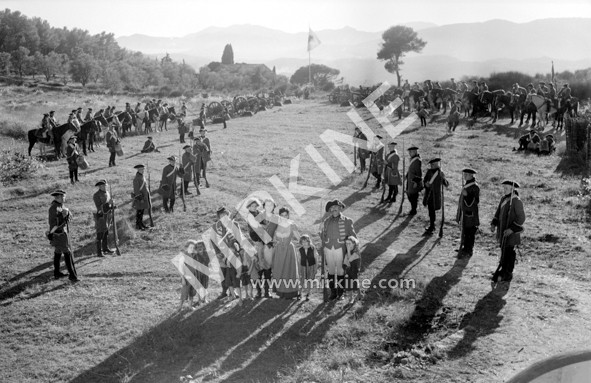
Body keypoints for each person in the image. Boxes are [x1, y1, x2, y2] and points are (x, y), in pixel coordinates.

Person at [319, 199, 357, 300]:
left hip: (340, 248)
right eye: (332, 208)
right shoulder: (326, 221)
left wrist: (352, 244)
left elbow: (353, 236)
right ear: (330, 210)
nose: (334, 209)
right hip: (328, 248)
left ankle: (340, 293)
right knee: (330, 270)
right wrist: (321, 232)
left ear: (340, 208)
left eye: (336, 208)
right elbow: (323, 236)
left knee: (340, 271)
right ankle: (333, 292)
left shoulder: (347, 221)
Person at [490, 180, 526, 287]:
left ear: (512, 189)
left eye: (506, 188)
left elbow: (521, 218)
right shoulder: (503, 199)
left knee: (509, 254)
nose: (504, 190)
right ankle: (503, 271)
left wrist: (511, 229)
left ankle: (508, 274)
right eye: (504, 188)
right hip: (502, 232)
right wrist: (494, 223)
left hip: (511, 234)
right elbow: (498, 213)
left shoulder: (516, 201)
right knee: (504, 252)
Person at [47, 189, 78, 282]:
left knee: (58, 252)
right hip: (58, 234)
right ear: (58, 197)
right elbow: (54, 223)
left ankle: (57, 273)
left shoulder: (61, 206)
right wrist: (63, 216)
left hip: (62, 232)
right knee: (67, 253)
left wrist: (67, 214)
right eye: (63, 196)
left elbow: (68, 218)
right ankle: (72, 275)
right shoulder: (53, 208)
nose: (65, 198)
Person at [246, 198, 273, 298]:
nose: (253, 208)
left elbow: (267, 222)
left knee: (267, 267)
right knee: (258, 267)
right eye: (251, 206)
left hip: (265, 239)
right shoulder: (249, 215)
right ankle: (258, 291)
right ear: (248, 207)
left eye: (255, 206)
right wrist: (264, 226)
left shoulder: (260, 213)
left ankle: (267, 291)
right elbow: (255, 226)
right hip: (257, 240)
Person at [271, 207, 301, 299]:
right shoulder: (277, 225)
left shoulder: (292, 225)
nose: (284, 217)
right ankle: (280, 292)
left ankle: (291, 293)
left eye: (286, 215)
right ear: (279, 216)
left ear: (288, 215)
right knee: (279, 270)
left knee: (289, 270)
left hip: (289, 250)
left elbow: (299, 238)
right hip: (279, 250)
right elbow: (272, 238)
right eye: (282, 215)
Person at [456, 168, 480, 257]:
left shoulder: (475, 187)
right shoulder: (467, 185)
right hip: (465, 214)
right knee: (465, 232)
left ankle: (469, 250)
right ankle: (465, 248)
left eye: (466, 174)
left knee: (470, 233)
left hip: (471, 215)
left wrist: (467, 196)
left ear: (471, 175)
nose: (465, 176)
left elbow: (475, 201)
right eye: (464, 174)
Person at [422, 158, 449, 235]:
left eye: (433, 164)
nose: (432, 166)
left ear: (437, 164)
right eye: (431, 164)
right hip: (429, 195)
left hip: (436, 196)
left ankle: (432, 226)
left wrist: (443, 178)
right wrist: (426, 184)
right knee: (430, 211)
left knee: (433, 210)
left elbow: (446, 184)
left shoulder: (440, 173)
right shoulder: (429, 172)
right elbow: (425, 180)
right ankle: (432, 225)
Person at [93, 179, 116, 258]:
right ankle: (99, 252)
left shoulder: (107, 193)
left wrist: (112, 205)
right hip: (101, 216)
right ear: (99, 186)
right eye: (103, 186)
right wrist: (108, 204)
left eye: (105, 185)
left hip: (108, 216)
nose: (104, 187)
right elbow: (99, 207)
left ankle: (105, 249)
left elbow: (109, 204)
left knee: (106, 233)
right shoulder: (96, 195)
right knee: (100, 234)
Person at [298, 234, 318, 301]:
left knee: (309, 280)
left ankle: (308, 294)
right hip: (303, 266)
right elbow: (299, 260)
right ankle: (299, 293)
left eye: (306, 241)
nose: (304, 243)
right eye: (303, 242)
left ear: (309, 241)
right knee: (302, 280)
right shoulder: (300, 250)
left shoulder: (312, 248)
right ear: (301, 242)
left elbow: (316, 258)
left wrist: (316, 268)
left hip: (311, 266)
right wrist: (298, 269)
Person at [132, 164, 151, 231]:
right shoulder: (136, 179)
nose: (143, 171)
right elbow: (136, 190)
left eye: (143, 169)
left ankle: (141, 224)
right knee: (139, 211)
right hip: (140, 198)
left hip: (144, 196)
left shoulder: (142, 176)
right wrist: (140, 199)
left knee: (142, 211)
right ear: (138, 170)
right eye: (141, 169)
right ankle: (138, 225)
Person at [343, 235, 361, 303]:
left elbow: (350, 259)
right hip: (348, 270)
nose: (347, 245)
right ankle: (350, 298)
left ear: (354, 243)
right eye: (346, 243)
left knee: (355, 283)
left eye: (349, 243)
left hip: (354, 270)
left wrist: (347, 251)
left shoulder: (356, 252)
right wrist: (345, 265)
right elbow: (345, 263)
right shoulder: (347, 253)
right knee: (348, 283)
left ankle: (359, 294)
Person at [405, 146, 423, 216]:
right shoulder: (412, 160)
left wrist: (416, 182)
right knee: (409, 194)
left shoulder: (417, 161)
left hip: (413, 182)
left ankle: (413, 210)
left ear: (415, 152)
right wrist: (406, 176)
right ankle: (413, 209)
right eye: (409, 152)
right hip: (409, 181)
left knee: (413, 196)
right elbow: (410, 170)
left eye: (411, 152)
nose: (409, 153)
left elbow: (419, 173)